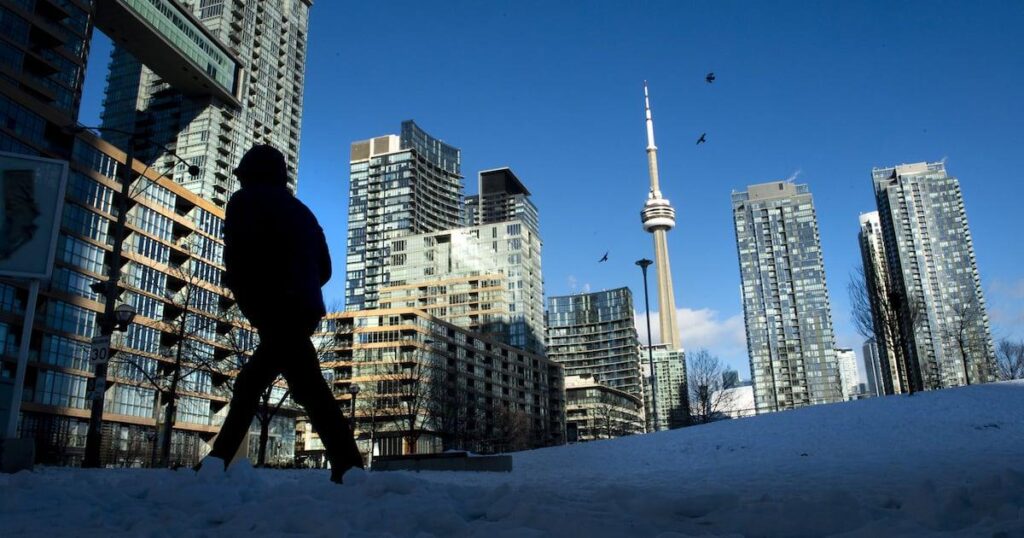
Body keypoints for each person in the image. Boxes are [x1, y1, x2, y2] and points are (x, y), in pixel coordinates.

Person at [206, 145, 363, 482]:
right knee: (296, 387)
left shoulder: (244, 201)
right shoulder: (302, 211)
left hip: (273, 307)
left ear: (251, 174)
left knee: (268, 385)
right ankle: (349, 466)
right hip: (303, 308)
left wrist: (250, 293)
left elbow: (238, 257)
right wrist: (302, 288)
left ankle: (216, 463)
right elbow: (325, 268)